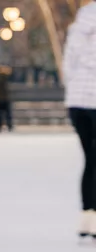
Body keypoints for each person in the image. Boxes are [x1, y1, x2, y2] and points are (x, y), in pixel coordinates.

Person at [63, 0, 96, 239]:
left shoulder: (78, 26)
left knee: (90, 160)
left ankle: (87, 217)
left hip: (77, 101)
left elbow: (68, 64)